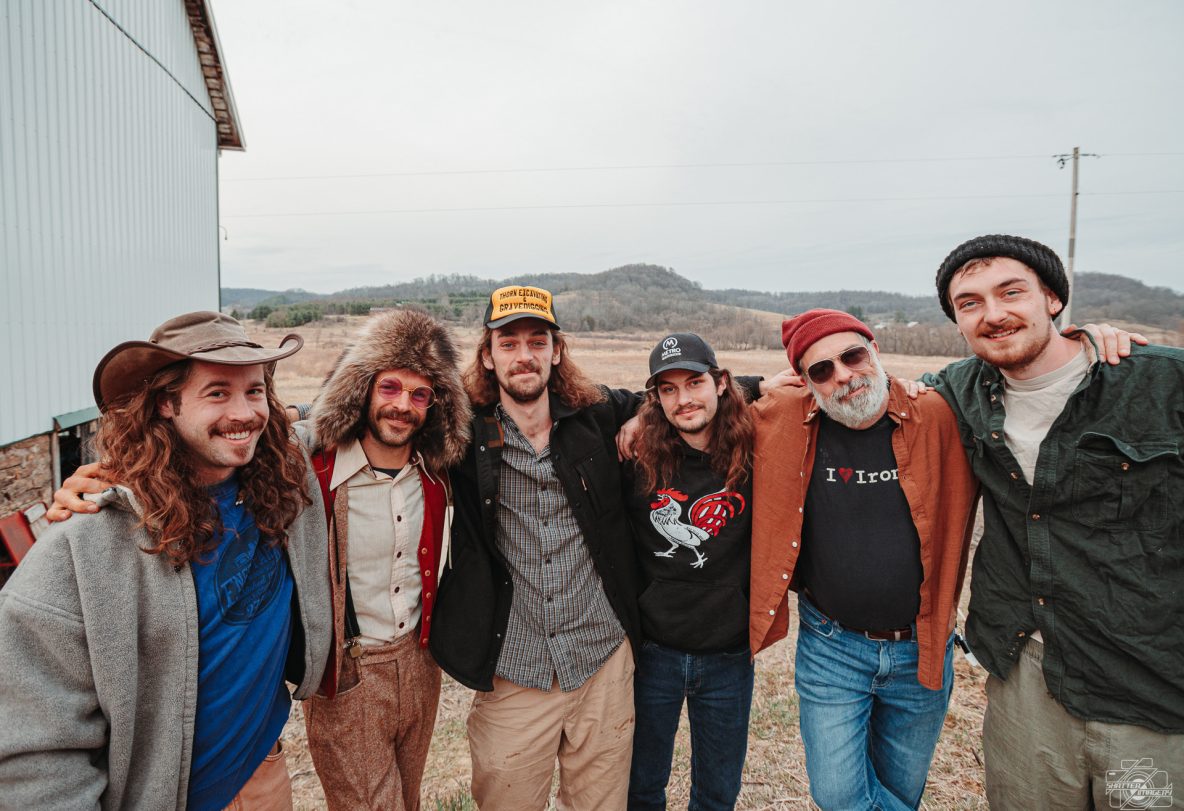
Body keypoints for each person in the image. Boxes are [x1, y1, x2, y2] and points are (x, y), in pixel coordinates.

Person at [0, 311, 331, 810]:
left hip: (265, 769)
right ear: (165, 405)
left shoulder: (282, 472)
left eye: (255, 391)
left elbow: (353, 408)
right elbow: (35, 754)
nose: (244, 413)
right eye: (217, 392)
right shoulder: (86, 544)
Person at [927, 234, 1184, 809]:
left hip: (1150, 680)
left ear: (1053, 299)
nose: (993, 314)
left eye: (1011, 291)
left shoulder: (1162, 382)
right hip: (1027, 676)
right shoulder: (959, 393)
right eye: (969, 303)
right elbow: (863, 397)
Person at [748, 309, 979, 811]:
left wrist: (1086, 338)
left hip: (922, 646)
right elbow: (696, 409)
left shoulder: (940, 413)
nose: (843, 376)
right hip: (832, 648)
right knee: (838, 795)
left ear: (875, 351)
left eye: (852, 356)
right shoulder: (785, 420)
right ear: (806, 384)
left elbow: (1016, 376)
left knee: (900, 790)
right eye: (821, 371)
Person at [428, 285, 644, 810]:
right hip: (514, 667)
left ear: (556, 350)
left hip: (601, 659)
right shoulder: (463, 435)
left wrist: (645, 413)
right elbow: (380, 412)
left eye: (537, 341)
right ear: (487, 355)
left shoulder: (597, 416)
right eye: (508, 343)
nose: (524, 356)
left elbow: (681, 394)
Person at [297, 308, 471, 810]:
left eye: (419, 395)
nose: (403, 406)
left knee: (407, 799)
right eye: (390, 388)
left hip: (420, 664)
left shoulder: (437, 479)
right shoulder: (314, 472)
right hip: (349, 672)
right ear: (364, 390)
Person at [625, 333, 758, 811]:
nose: (684, 399)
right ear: (655, 399)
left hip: (729, 654)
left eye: (695, 382)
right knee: (640, 786)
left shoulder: (756, 449)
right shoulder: (638, 458)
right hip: (653, 653)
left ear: (721, 383)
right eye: (668, 389)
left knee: (718, 792)